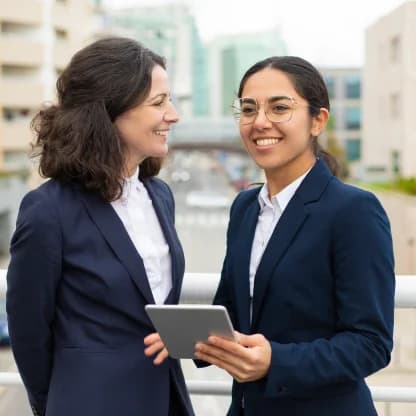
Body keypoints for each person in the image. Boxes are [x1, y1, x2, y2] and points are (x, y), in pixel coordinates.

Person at [193, 56, 395, 415]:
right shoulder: (244, 208)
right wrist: (193, 338)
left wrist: (276, 361)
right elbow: (237, 312)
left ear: (318, 120)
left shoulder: (353, 211)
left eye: (280, 108)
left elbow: (371, 344)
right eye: (248, 109)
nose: (260, 122)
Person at [6, 37, 194, 416]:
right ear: (110, 111)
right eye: (158, 103)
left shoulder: (160, 196)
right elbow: (28, 333)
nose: (172, 114)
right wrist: (59, 404)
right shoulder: (48, 211)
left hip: (167, 400)